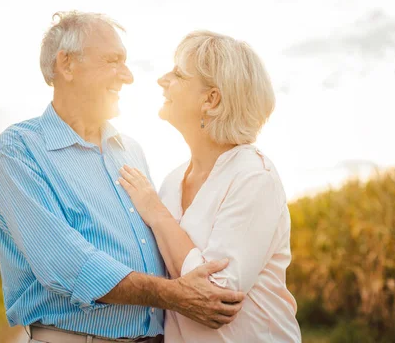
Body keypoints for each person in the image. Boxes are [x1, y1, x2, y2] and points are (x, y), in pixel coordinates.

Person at [0, 12, 245, 343]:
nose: (128, 76)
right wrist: (174, 295)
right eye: (113, 61)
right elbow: (65, 263)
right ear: (66, 65)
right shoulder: (19, 150)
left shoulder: (130, 150)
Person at [118, 31, 302, 342]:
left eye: (178, 74)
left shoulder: (254, 178)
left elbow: (217, 295)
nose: (163, 80)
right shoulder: (171, 181)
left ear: (211, 99)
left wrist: (157, 214)